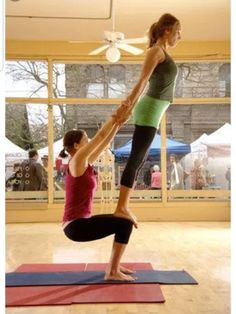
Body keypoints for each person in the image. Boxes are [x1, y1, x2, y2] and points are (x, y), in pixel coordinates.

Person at [114, 13, 181, 221]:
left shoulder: (161, 52)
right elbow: (143, 80)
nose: (180, 37)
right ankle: (121, 207)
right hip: (150, 108)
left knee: (138, 158)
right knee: (136, 158)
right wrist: (127, 104)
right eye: (178, 32)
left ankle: (123, 206)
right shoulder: (156, 51)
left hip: (154, 109)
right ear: (167, 30)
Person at [59, 105, 137, 281]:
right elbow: (100, 136)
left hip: (79, 224)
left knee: (124, 222)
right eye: (87, 139)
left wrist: (118, 124)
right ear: (76, 145)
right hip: (76, 226)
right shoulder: (77, 160)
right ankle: (112, 270)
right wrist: (115, 115)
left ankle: (113, 266)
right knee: (125, 224)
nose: (90, 141)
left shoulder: (83, 163)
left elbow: (103, 144)